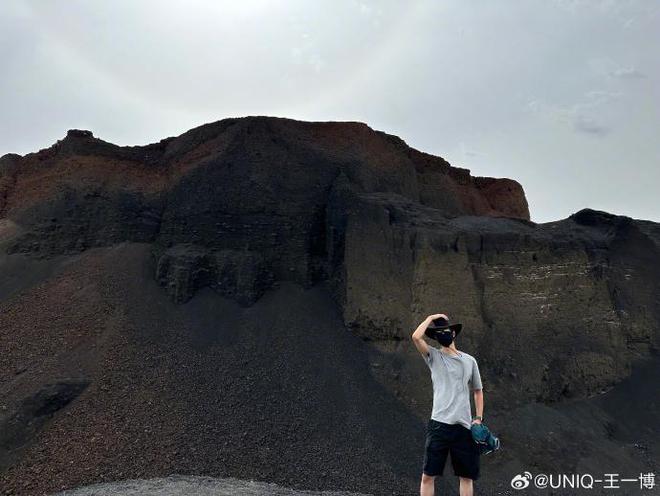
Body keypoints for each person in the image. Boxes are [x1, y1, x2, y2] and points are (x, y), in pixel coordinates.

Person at [411, 313, 484, 496]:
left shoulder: (469, 360)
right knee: (428, 476)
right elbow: (416, 337)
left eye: (445, 331)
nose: (442, 334)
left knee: (466, 477)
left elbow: (478, 390)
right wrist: (430, 318)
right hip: (439, 425)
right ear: (435, 337)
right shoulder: (433, 357)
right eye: (438, 333)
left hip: (464, 427)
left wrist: (478, 418)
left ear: (453, 333)